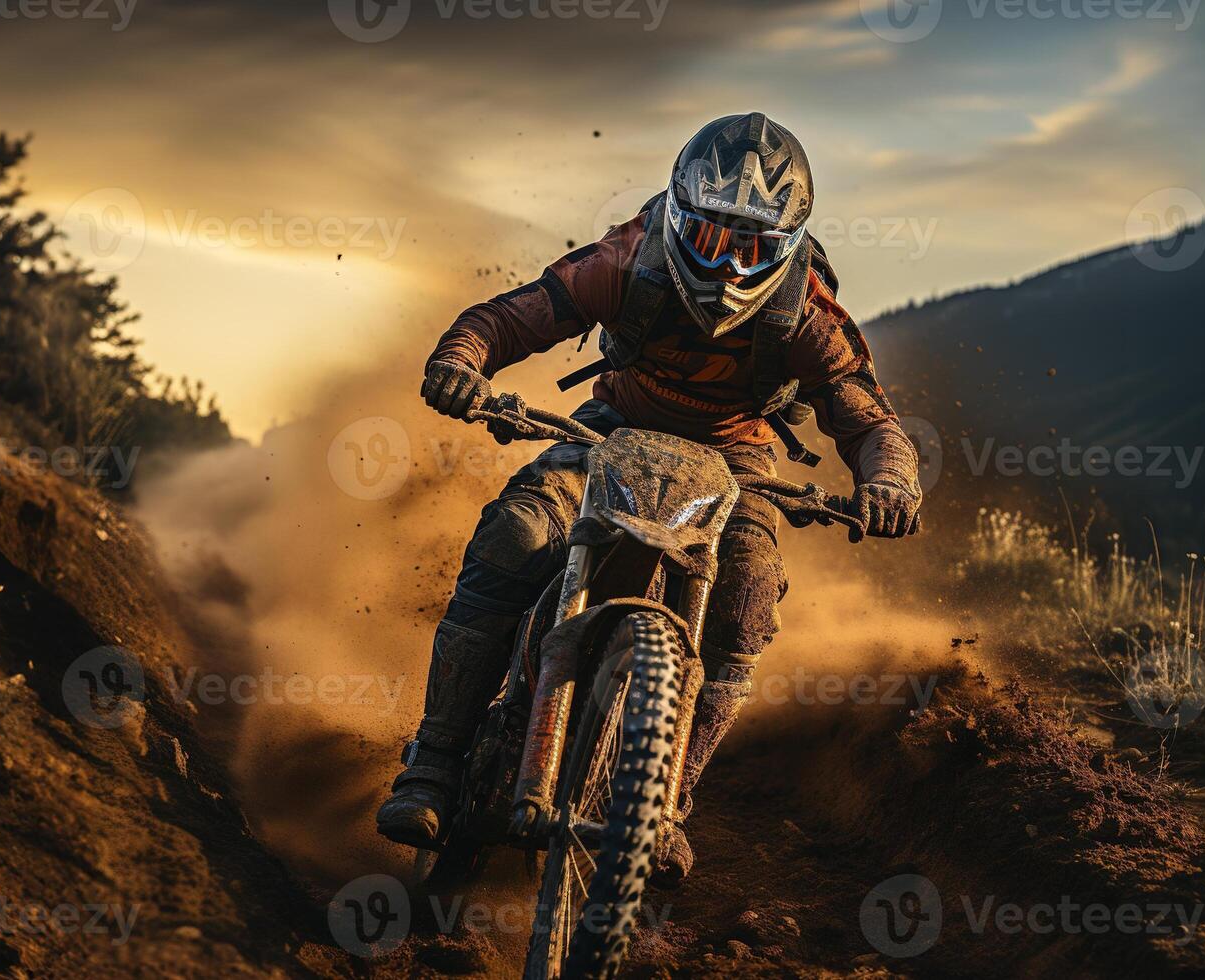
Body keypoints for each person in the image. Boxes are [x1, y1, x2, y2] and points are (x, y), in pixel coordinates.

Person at [375, 113, 922, 883]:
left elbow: (869, 419)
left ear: (789, 248)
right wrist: (460, 362)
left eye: (753, 248)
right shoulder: (624, 262)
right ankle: (431, 765)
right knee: (516, 535)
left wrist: (889, 482)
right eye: (710, 240)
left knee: (748, 599)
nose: (729, 267)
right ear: (678, 217)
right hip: (614, 426)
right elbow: (508, 317)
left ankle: (668, 803)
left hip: (739, 461)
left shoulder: (809, 314)